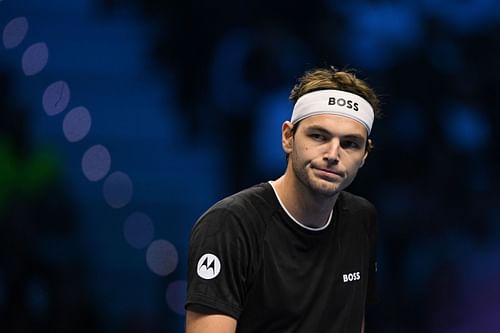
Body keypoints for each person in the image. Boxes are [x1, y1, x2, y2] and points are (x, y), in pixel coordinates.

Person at [185, 66, 381, 333]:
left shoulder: (361, 218)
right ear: (288, 137)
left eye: (350, 143)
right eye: (318, 136)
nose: (333, 154)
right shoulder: (230, 225)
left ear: (365, 155)